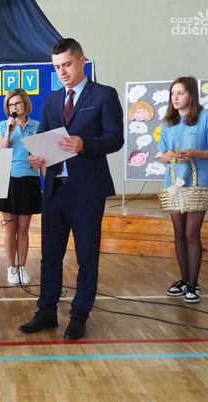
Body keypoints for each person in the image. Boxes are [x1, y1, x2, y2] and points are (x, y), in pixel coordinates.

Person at [20, 38, 124, 340]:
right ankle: (46, 311)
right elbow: (42, 137)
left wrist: (84, 144)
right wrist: (37, 157)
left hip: (87, 192)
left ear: (82, 61)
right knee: (50, 256)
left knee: (86, 256)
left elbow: (115, 138)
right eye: (57, 67)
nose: (62, 72)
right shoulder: (52, 99)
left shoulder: (104, 95)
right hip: (54, 189)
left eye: (66, 64)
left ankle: (79, 316)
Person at [159, 76, 208, 303]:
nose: (175, 97)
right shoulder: (168, 121)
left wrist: (194, 153)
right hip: (173, 186)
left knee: (191, 233)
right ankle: (185, 280)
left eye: (180, 93)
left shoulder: (206, 117)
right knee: (178, 233)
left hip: (199, 185)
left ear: (191, 95)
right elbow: (162, 154)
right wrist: (167, 156)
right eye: (172, 93)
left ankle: (193, 284)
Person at [0, 88, 41, 285]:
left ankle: (22, 267)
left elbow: (43, 155)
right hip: (7, 179)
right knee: (10, 228)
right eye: (10, 104)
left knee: (23, 228)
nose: (14, 107)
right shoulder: (3, 125)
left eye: (17, 103)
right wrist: (8, 132)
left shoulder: (37, 126)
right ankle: (11, 268)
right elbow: (0, 153)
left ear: (25, 104)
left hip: (29, 179)